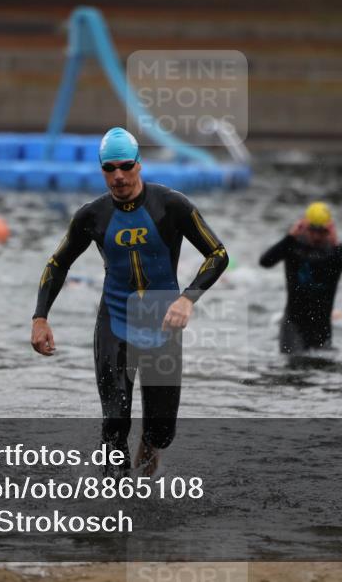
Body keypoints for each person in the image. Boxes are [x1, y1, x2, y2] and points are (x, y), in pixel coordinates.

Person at [31, 127, 228, 478]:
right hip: (115, 322)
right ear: (101, 170)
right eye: (110, 168)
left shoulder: (171, 205)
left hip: (162, 322)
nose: (118, 176)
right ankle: (115, 512)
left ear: (139, 164)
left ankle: (146, 479)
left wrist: (188, 298)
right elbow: (57, 263)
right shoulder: (92, 216)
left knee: (161, 430)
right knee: (115, 422)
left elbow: (218, 254)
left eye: (125, 166)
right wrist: (40, 318)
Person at [259, 202, 342, 354]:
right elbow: (265, 262)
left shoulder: (339, 251)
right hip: (293, 326)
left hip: (321, 328)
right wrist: (289, 237)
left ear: (330, 229)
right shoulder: (292, 246)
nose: (316, 236)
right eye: (312, 230)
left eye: (321, 231)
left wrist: (337, 247)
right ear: (303, 226)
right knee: (293, 366)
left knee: (322, 374)